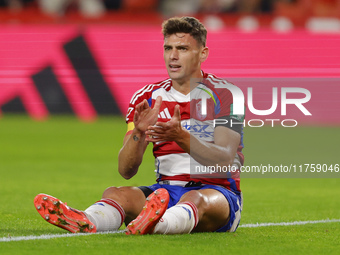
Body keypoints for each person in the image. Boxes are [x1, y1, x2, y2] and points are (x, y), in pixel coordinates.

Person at [34, 16, 244, 235]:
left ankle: (157, 223)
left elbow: (225, 159)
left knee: (195, 198)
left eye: (182, 48)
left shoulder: (226, 94)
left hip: (219, 193)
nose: (173, 56)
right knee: (116, 193)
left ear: (203, 54)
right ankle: (87, 220)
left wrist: (180, 136)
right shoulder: (146, 97)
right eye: (168, 48)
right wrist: (139, 132)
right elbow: (125, 170)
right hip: (166, 192)